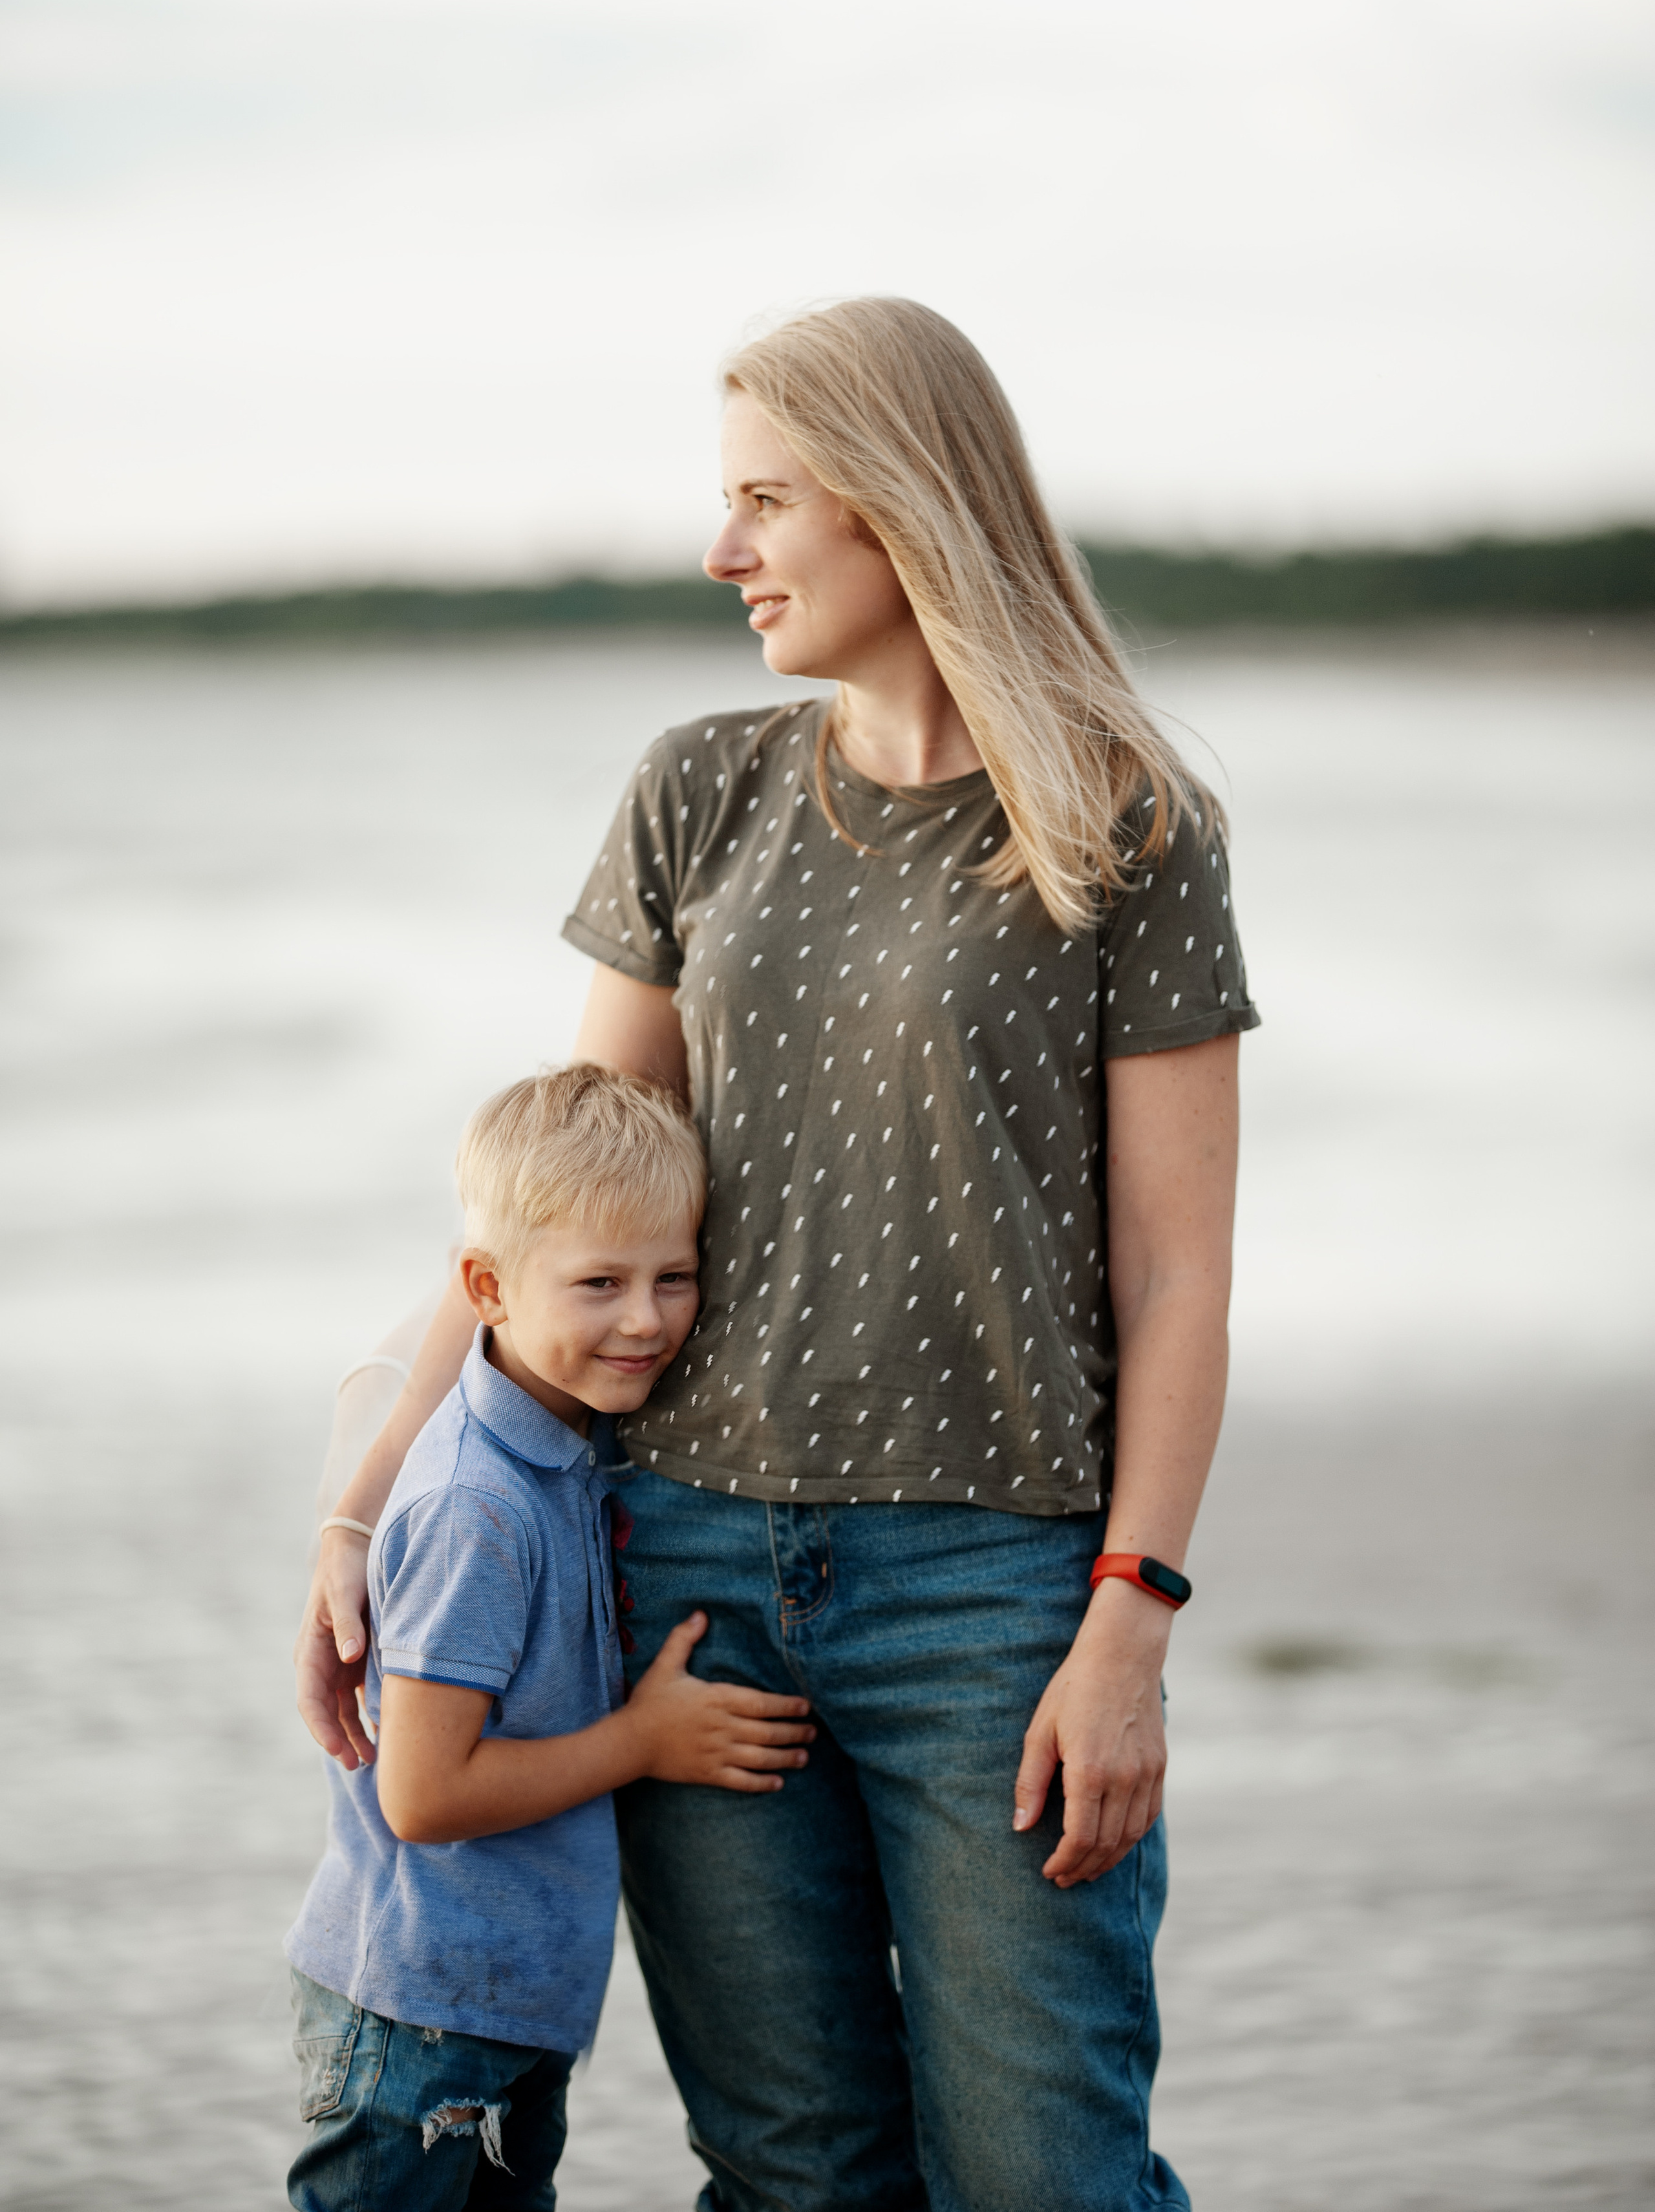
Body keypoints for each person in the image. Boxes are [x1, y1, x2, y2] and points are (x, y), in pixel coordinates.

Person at [296, 297, 1260, 2212]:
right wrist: (364, 1515)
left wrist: (1131, 1621)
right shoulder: (700, 786)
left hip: (997, 1599)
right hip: (681, 1582)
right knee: (799, 2175)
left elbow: (1177, 1281)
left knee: (1044, 2173)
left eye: (765, 503)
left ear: (903, 508)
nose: (720, 551)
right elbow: (545, 1214)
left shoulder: (1129, 824)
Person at [284, 1065, 813, 2211]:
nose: (646, 1318)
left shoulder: (565, 1446)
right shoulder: (479, 1509)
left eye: (675, 1277)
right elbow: (423, 1795)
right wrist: (642, 1741)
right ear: (486, 1287)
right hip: (420, 2023)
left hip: (500, 2009)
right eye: (599, 1283)